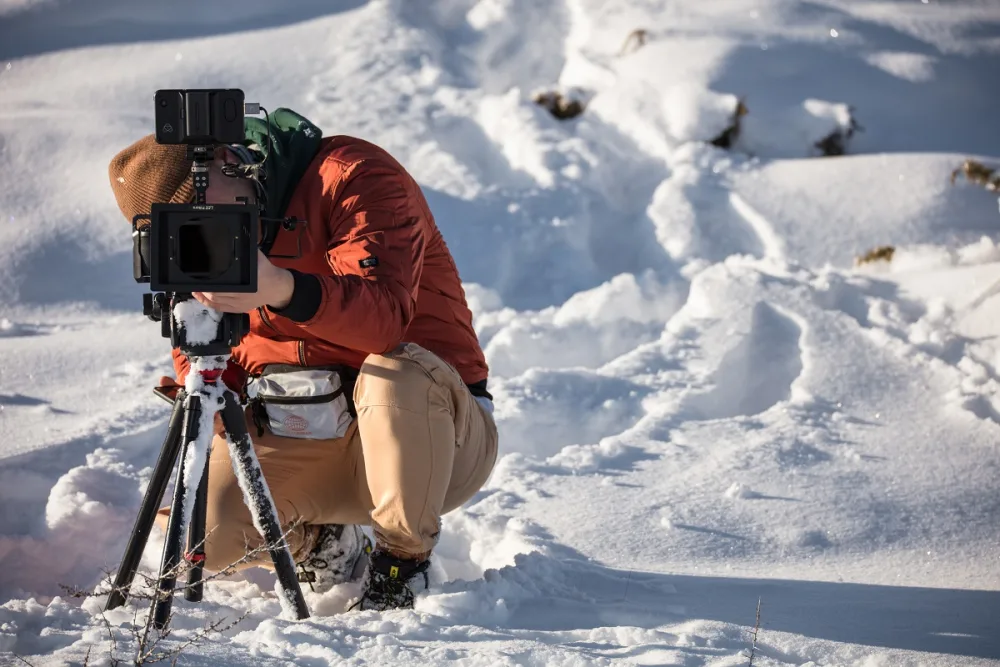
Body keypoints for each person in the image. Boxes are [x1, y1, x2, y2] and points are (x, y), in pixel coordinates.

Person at [107, 108, 498, 611]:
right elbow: (195, 347)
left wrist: (283, 289)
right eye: (178, 226)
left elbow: (382, 321)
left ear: (227, 159)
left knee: (394, 372)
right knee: (198, 539)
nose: (202, 229)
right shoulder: (201, 238)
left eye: (199, 207)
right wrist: (214, 387)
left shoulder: (352, 176)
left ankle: (402, 566)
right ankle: (324, 546)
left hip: (433, 438)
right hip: (305, 430)